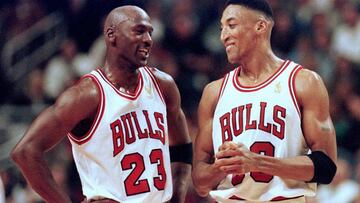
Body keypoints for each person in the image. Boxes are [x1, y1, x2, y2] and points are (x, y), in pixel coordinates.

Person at [11, 5, 192, 203]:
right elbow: (26, 152)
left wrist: (176, 199)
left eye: (150, 32)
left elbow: (182, 147)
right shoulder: (86, 95)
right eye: (139, 31)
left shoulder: (163, 85)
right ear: (111, 35)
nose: (148, 39)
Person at [192, 0, 337, 202]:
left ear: (260, 26)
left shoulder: (303, 82)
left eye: (231, 25)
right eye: (222, 28)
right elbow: (199, 182)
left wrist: (257, 163)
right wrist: (223, 166)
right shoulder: (213, 93)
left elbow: (326, 167)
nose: (223, 36)